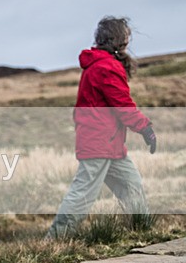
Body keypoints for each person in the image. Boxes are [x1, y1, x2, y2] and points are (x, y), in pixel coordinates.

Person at [48, 16, 156, 238]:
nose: (128, 40)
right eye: (126, 36)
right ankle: (56, 239)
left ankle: (143, 229)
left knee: (131, 183)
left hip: (109, 142)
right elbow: (123, 106)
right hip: (99, 142)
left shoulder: (99, 64)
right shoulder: (106, 67)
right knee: (82, 193)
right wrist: (145, 128)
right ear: (119, 40)